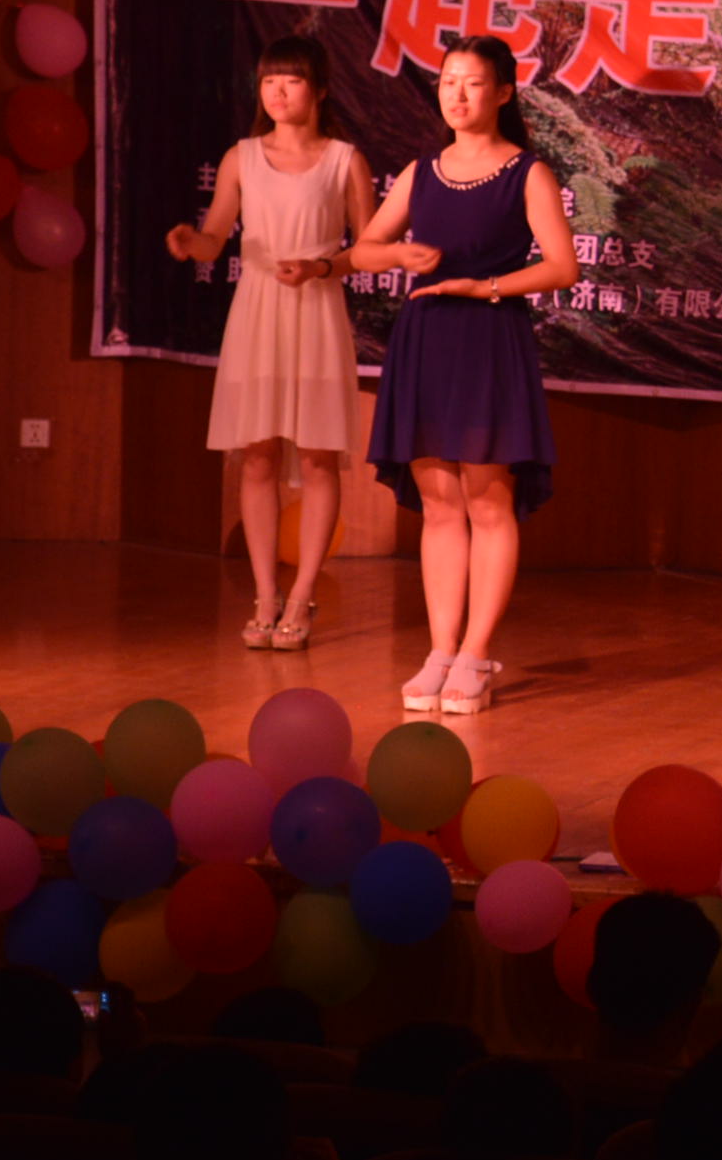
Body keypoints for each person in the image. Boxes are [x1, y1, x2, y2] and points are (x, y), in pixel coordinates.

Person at [356, 35, 577, 716]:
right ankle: (440, 651)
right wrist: (398, 254)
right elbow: (363, 249)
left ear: (503, 93)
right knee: (441, 505)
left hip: (487, 337)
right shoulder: (421, 171)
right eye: (448, 80)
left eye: (472, 82)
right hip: (426, 338)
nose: (456, 93)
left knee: (487, 502)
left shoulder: (526, 172)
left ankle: (477, 653)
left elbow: (562, 267)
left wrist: (486, 287)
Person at [165, 35, 375, 648]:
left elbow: (368, 250)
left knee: (317, 457)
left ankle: (302, 597)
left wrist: (321, 266)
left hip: (316, 309)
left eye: (292, 80)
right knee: (256, 455)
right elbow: (215, 238)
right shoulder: (242, 157)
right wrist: (192, 243)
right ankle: (264, 595)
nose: (278, 92)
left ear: (321, 89)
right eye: (268, 81)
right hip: (257, 310)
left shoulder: (344, 160)